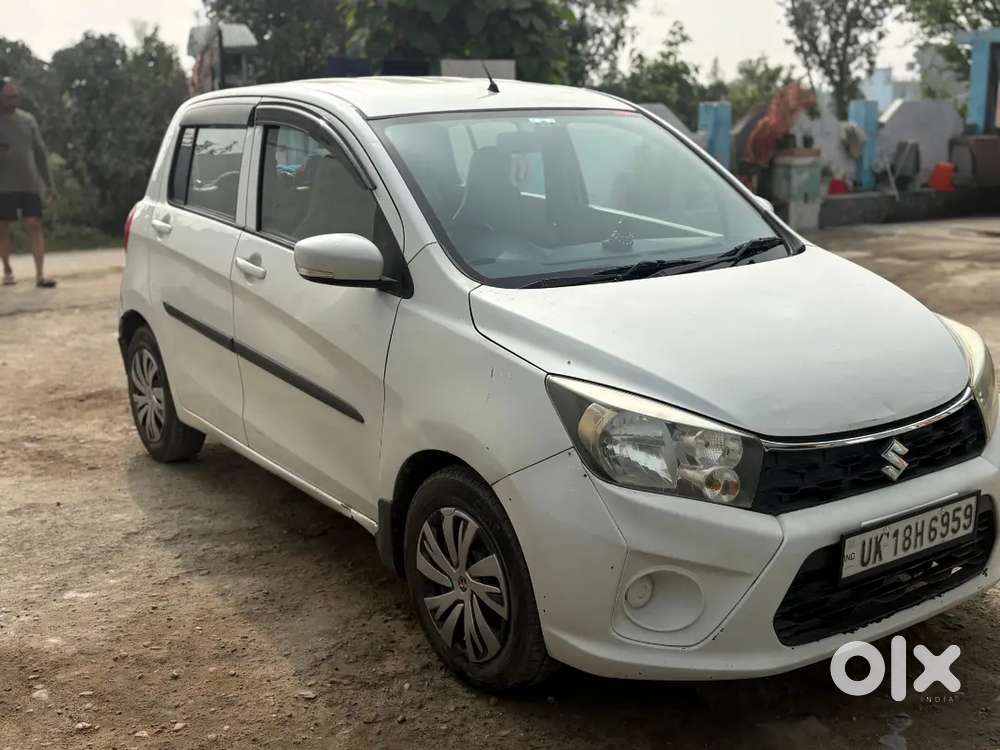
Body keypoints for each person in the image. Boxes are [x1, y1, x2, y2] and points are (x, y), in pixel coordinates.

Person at [0, 76, 56, 288]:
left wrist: (50, 184)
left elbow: (41, 153)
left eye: (15, 96)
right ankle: (7, 270)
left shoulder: (28, 120)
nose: (13, 100)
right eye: (8, 97)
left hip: (29, 183)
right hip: (3, 186)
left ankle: (40, 275)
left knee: (34, 224)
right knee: (2, 228)